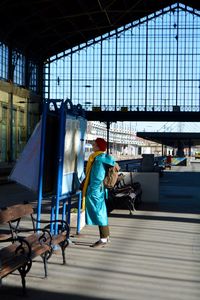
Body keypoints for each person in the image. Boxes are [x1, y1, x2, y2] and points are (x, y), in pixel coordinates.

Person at [82, 137, 116, 248]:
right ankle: (106, 237)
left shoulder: (98, 159)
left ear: (98, 146)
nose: (92, 146)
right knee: (101, 212)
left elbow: (97, 177)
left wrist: (91, 190)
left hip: (96, 191)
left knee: (99, 213)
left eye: (94, 144)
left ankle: (103, 239)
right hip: (100, 190)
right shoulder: (102, 157)